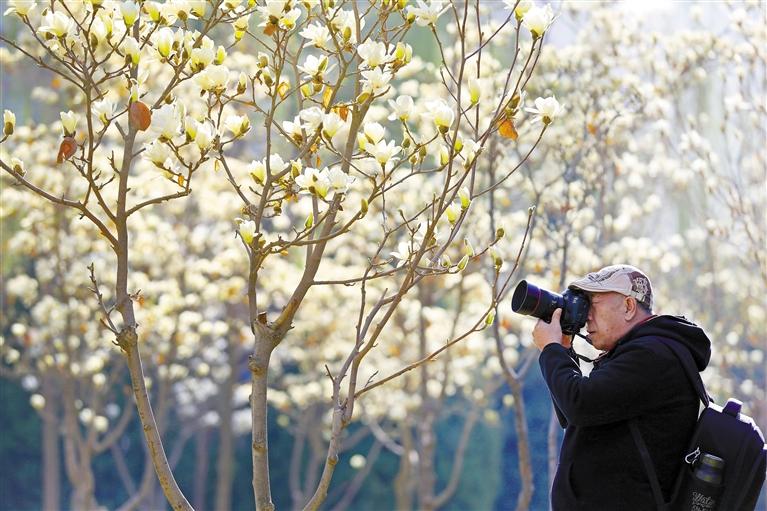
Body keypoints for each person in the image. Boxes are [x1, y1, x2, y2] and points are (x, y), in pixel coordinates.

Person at [532, 264, 712, 510]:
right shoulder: (638, 352)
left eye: (592, 304)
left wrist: (551, 350)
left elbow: (579, 405)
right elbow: (574, 417)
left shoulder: (652, 355)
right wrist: (563, 351)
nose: (586, 316)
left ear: (628, 306)